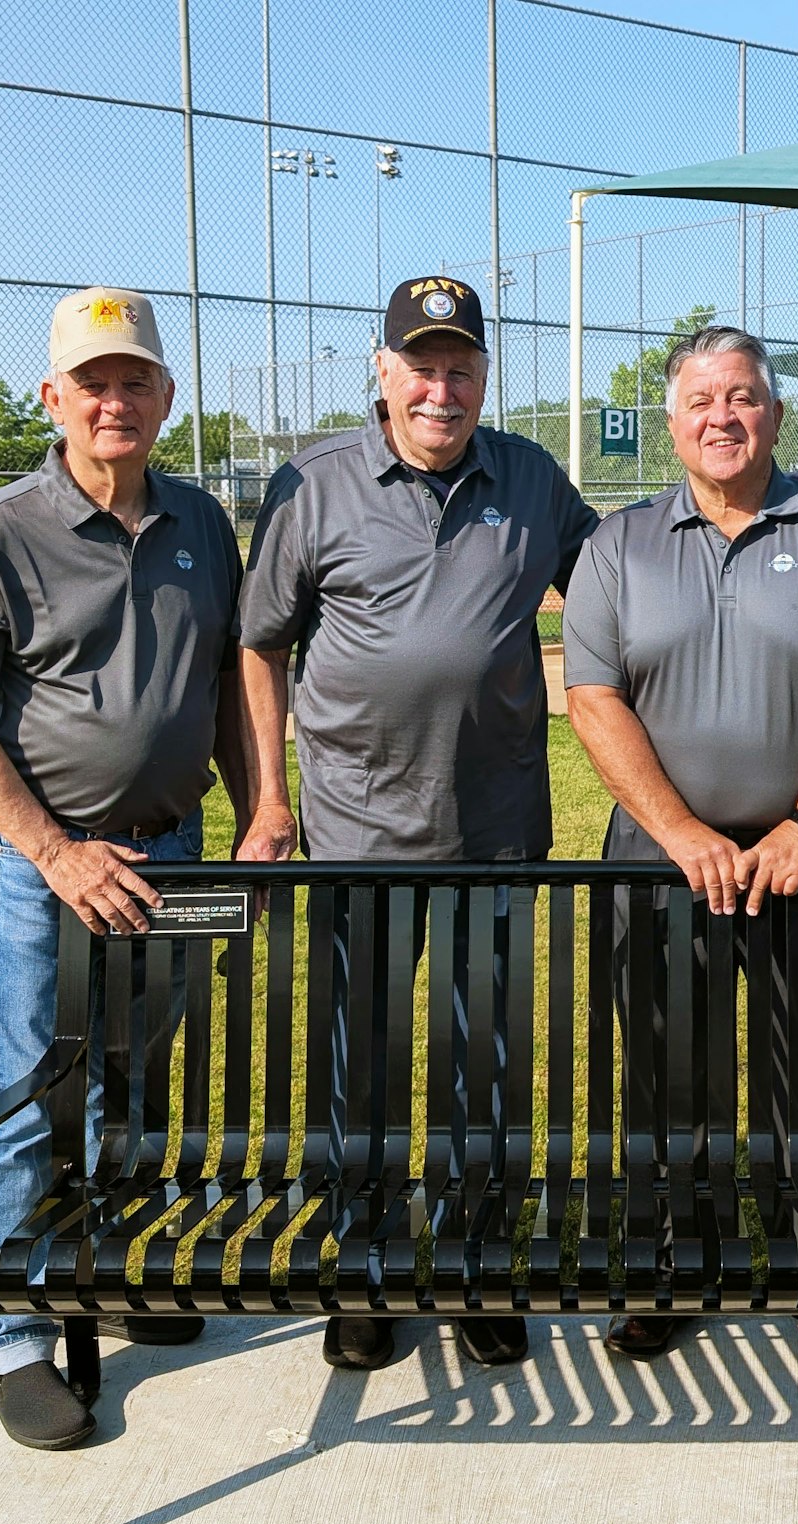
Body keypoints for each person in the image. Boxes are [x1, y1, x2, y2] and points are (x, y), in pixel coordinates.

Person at [0, 287, 250, 1449]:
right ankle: (7, 1336)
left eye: (134, 378)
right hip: (53, 863)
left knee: (137, 1076)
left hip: (176, 848)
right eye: (91, 381)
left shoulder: (202, 520)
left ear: (166, 394)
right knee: (25, 1088)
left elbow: (226, 691)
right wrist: (51, 851)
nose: (114, 399)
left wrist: (263, 811)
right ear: (51, 396)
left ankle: (105, 1270)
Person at [234, 275, 598, 1373]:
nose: (440, 388)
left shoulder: (530, 478)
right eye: (420, 365)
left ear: (485, 375)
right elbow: (259, 641)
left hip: (491, 829)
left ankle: (476, 1263)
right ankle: (367, 1264)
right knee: (362, 1063)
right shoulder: (315, 483)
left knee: (482, 1062)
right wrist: (267, 799)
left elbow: (621, 583)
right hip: (356, 833)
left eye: (460, 367)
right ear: (382, 371)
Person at [562, 324, 798, 1364]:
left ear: (774, 413)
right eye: (702, 400)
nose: (724, 416)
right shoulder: (616, 545)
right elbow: (591, 697)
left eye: (744, 396)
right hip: (662, 863)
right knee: (670, 1074)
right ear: (670, 423)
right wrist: (679, 833)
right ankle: (669, 1265)